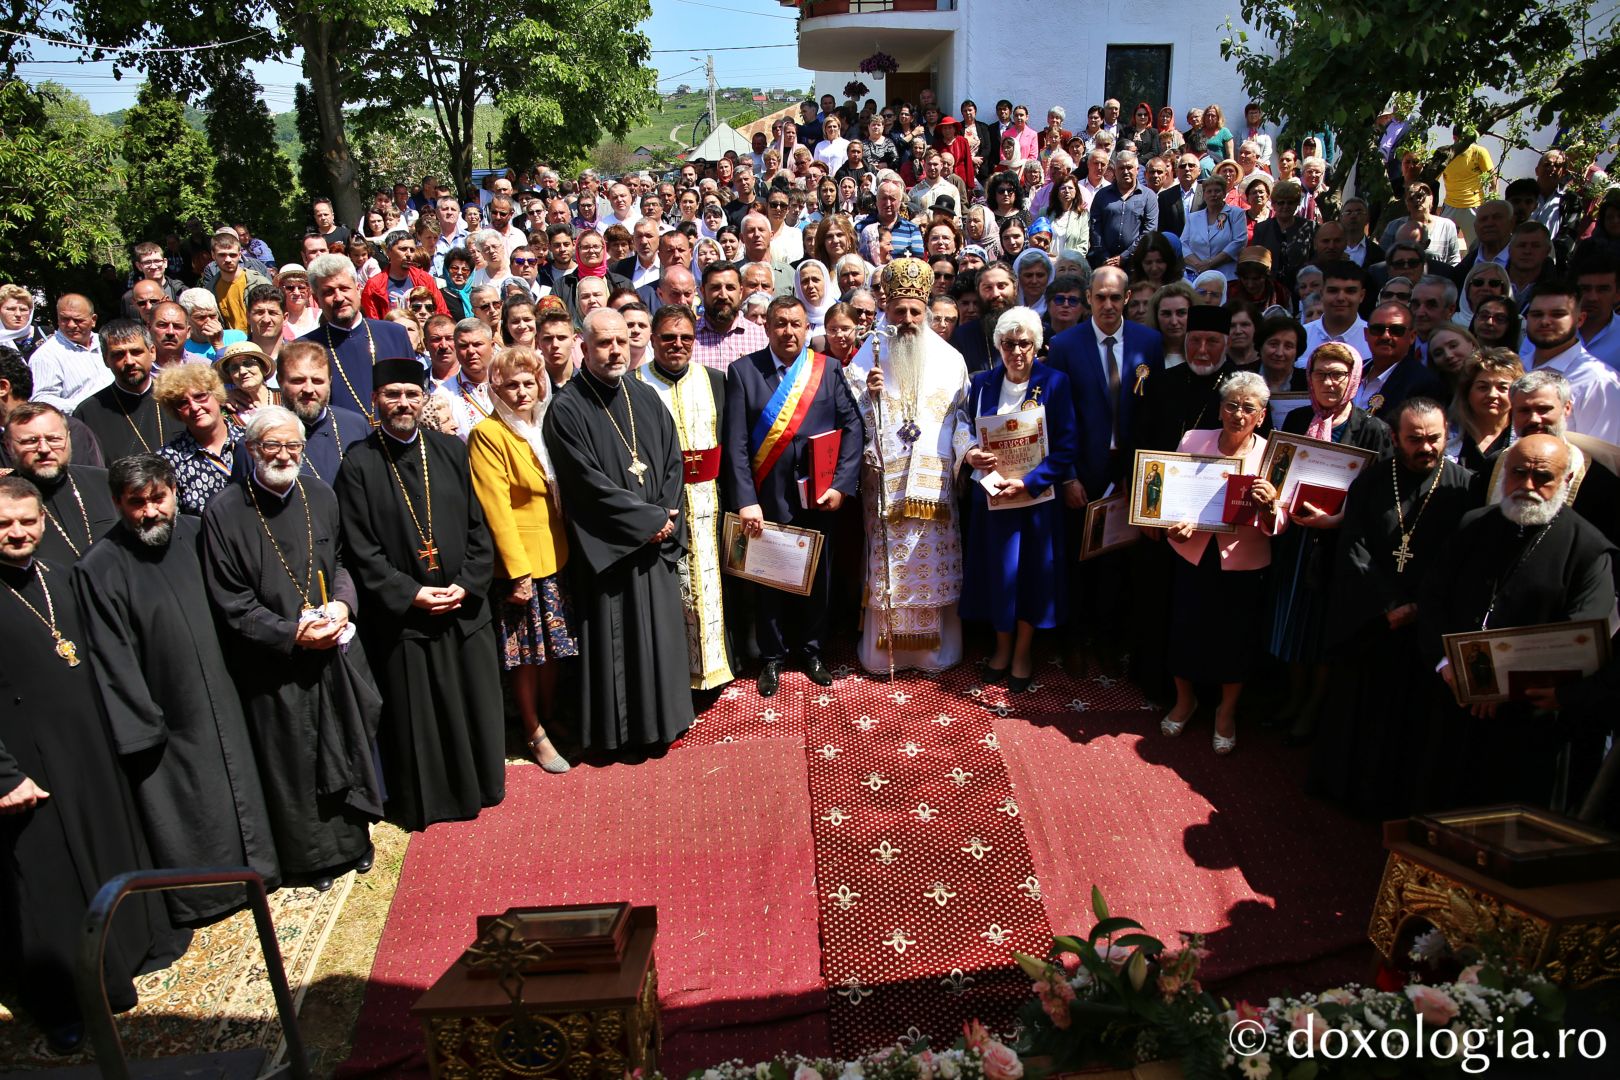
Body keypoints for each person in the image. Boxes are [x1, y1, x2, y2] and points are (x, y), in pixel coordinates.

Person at [0, 475, 183, 1053]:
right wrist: (3, 776)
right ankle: (64, 1002)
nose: (18, 533)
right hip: (25, 764)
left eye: (28, 521)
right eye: (4, 524)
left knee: (108, 848)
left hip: (89, 747)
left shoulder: (58, 576)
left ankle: (130, 953)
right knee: (47, 884)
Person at [72, 454, 280, 922]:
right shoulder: (100, 567)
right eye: (136, 503)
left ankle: (260, 873)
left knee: (243, 786)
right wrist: (144, 724)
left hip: (226, 687)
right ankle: (209, 896)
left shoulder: (198, 532)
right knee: (189, 804)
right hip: (169, 708)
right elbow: (111, 654)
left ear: (174, 491)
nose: (149, 512)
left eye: (157, 498)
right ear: (117, 503)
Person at [201, 408, 383, 890]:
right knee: (295, 758)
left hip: (332, 650)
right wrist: (290, 633)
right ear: (251, 449)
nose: (283, 456)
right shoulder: (224, 512)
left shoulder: (319, 495)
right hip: (275, 662)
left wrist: (343, 606)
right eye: (271, 447)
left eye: (293, 447)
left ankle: (355, 839)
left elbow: (342, 562)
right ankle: (313, 860)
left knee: (346, 741)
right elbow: (231, 599)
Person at [334, 357, 504, 830]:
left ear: (424, 397)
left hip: (462, 608)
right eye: (392, 395)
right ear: (375, 401)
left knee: (471, 701)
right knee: (419, 714)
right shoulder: (358, 464)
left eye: (411, 394)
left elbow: (479, 524)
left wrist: (467, 585)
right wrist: (410, 593)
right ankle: (430, 800)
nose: (403, 403)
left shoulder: (451, 449)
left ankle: (483, 785)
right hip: (406, 618)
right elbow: (361, 548)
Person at [1421, 434, 1616, 810]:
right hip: (1456, 695)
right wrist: (1446, 662)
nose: (1528, 486)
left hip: (1528, 717)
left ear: (1567, 481)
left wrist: (1505, 684)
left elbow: (1584, 632)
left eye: (1542, 477)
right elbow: (1433, 597)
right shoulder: (1474, 525)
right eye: (1519, 473)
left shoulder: (1589, 549)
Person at [1310, 398, 1477, 818]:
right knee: (1358, 709)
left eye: (1434, 438)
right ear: (1395, 438)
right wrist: (1389, 602)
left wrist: (1420, 604)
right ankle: (1345, 788)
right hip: (1372, 617)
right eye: (1415, 439)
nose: (1426, 447)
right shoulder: (1372, 481)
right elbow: (1355, 546)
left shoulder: (1464, 487)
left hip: (1427, 621)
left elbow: (1461, 557)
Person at [543, 308, 695, 748]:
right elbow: (585, 485)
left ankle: (665, 719)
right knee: (619, 643)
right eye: (604, 343)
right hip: (612, 553)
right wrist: (648, 522)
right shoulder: (567, 408)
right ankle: (622, 734)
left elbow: (672, 461)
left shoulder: (644, 396)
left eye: (622, 342)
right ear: (583, 348)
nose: (614, 351)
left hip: (654, 542)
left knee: (660, 637)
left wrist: (665, 515)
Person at [725, 296, 864, 693]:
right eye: (781, 324)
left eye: (796, 324)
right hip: (766, 498)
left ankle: (813, 650)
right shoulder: (743, 371)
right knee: (769, 580)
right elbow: (735, 442)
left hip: (818, 498)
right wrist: (745, 499)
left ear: (808, 329)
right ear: (767, 328)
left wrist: (841, 485)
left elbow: (853, 428)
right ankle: (772, 657)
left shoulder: (828, 369)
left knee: (818, 578)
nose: (789, 331)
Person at [1264, 344, 1392, 745]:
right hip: (1293, 541)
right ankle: (1293, 698)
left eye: (1338, 374)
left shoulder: (1373, 429)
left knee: (1322, 633)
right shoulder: (1300, 419)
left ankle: (1313, 709)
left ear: (1353, 378)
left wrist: (1338, 520)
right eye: (1321, 374)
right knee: (1290, 626)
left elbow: (1381, 502)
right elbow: (1276, 473)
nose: (1329, 383)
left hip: (1336, 547)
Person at [1155, 371, 1282, 754]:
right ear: (1220, 408)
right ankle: (1185, 701)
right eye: (1231, 405)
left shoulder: (1272, 453)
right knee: (1185, 629)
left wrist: (1271, 504)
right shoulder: (1195, 440)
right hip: (1193, 552)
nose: (1238, 414)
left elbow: (1283, 516)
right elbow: (1170, 498)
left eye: (1248, 408)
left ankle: (1225, 713)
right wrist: (1169, 528)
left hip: (1243, 561)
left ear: (1261, 416)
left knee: (1235, 640)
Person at [467, 347, 578, 771]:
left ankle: (550, 717)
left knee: (552, 649)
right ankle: (532, 731)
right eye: (511, 384)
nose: (520, 391)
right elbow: (495, 508)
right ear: (496, 388)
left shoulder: (542, 425)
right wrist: (518, 574)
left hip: (557, 555)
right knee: (526, 655)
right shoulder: (488, 434)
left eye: (528, 383)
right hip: (523, 565)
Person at [959, 307, 1077, 691]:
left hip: (1036, 502)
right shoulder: (982, 384)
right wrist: (971, 453)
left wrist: (1029, 483)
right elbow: (963, 428)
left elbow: (1065, 448)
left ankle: (1024, 651)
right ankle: (1002, 647)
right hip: (993, 502)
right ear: (998, 346)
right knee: (999, 575)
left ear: (1036, 345)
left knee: (1031, 578)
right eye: (1008, 343)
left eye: (1024, 343)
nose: (1016, 351)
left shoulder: (1055, 383)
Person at [634, 304, 734, 691]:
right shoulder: (635, 383)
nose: (677, 344)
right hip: (662, 504)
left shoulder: (715, 379)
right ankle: (675, 675)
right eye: (668, 338)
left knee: (713, 585)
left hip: (710, 498)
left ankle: (718, 665)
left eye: (686, 338)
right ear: (653, 340)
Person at [299, 254, 416, 423]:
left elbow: (413, 394)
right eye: (329, 292)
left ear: (358, 288)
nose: (338, 298)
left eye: (344, 288)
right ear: (317, 299)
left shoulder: (395, 335)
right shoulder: (306, 348)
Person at [2, 403, 117, 564]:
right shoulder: (4, 499)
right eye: (30, 441)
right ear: (8, 446)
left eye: (53, 439)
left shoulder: (106, 482)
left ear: (68, 438)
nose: (44, 449)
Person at [1522, 281, 1620, 445]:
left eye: (1557, 314)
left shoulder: (1598, 381)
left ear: (1580, 319)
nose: (1545, 321)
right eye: (1537, 314)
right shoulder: (1517, 369)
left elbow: (1603, 459)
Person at [276, 340, 372, 486]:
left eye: (317, 381)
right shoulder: (265, 434)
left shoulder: (356, 425)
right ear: (280, 381)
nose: (308, 389)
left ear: (330, 382)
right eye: (298, 381)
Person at [153, 362, 241, 516]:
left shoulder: (250, 440)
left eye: (200, 396)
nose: (194, 407)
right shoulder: (168, 460)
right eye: (183, 403)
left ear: (217, 395)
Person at [74, 319, 167, 462]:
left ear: (152, 352)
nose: (129, 361)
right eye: (119, 354)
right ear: (106, 360)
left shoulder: (177, 399)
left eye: (136, 352)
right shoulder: (87, 413)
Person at [28, 294, 108, 412]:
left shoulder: (106, 343)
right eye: (65, 319)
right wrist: (85, 408)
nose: (71, 325)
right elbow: (41, 400)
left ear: (93, 320)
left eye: (78, 320)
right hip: (79, 424)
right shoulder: (46, 356)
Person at [1446, 349, 1521, 471]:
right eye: (1483, 387)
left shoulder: (1525, 437)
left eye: (1502, 388)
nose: (1492, 394)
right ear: (1467, 392)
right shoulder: (1445, 436)